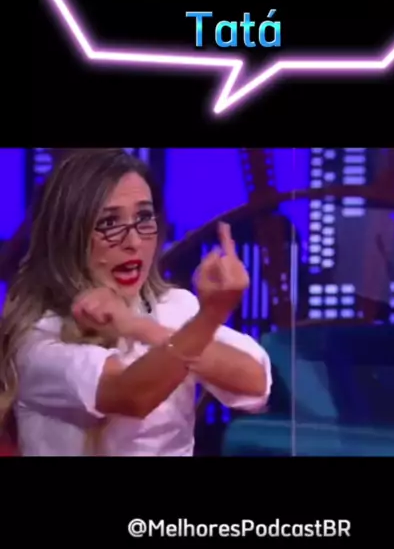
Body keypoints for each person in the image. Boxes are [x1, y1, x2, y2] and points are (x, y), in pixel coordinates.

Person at [0, 149, 272, 456]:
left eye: (143, 218)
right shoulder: (39, 336)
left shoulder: (173, 306)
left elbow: (255, 380)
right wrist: (210, 317)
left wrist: (140, 327)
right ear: (68, 236)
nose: (133, 242)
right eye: (109, 222)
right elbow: (132, 395)